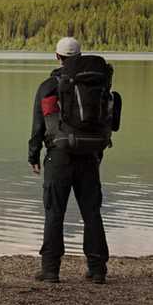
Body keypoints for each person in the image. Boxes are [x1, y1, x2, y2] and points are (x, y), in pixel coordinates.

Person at [29, 37, 112, 284]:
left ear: (57, 56)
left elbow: (38, 125)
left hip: (59, 155)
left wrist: (33, 154)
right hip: (89, 154)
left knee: (55, 211)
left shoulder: (49, 86)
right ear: (79, 55)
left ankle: (51, 269)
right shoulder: (98, 83)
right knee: (91, 211)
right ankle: (97, 269)